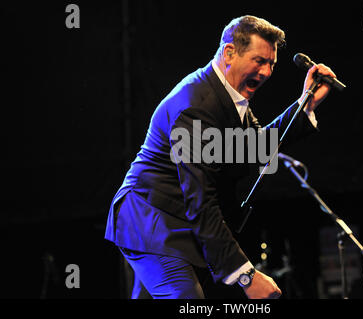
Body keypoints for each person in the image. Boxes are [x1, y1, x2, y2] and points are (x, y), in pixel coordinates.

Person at [105, 15, 336, 299]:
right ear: (229, 53)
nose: (265, 72)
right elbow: (201, 200)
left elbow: (254, 147)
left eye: (271, 64)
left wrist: (306, 103)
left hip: (176, 222)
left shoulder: (229, 96)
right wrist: (247, 276)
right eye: (259, 61)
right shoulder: (195, 107)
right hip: (151, 221)